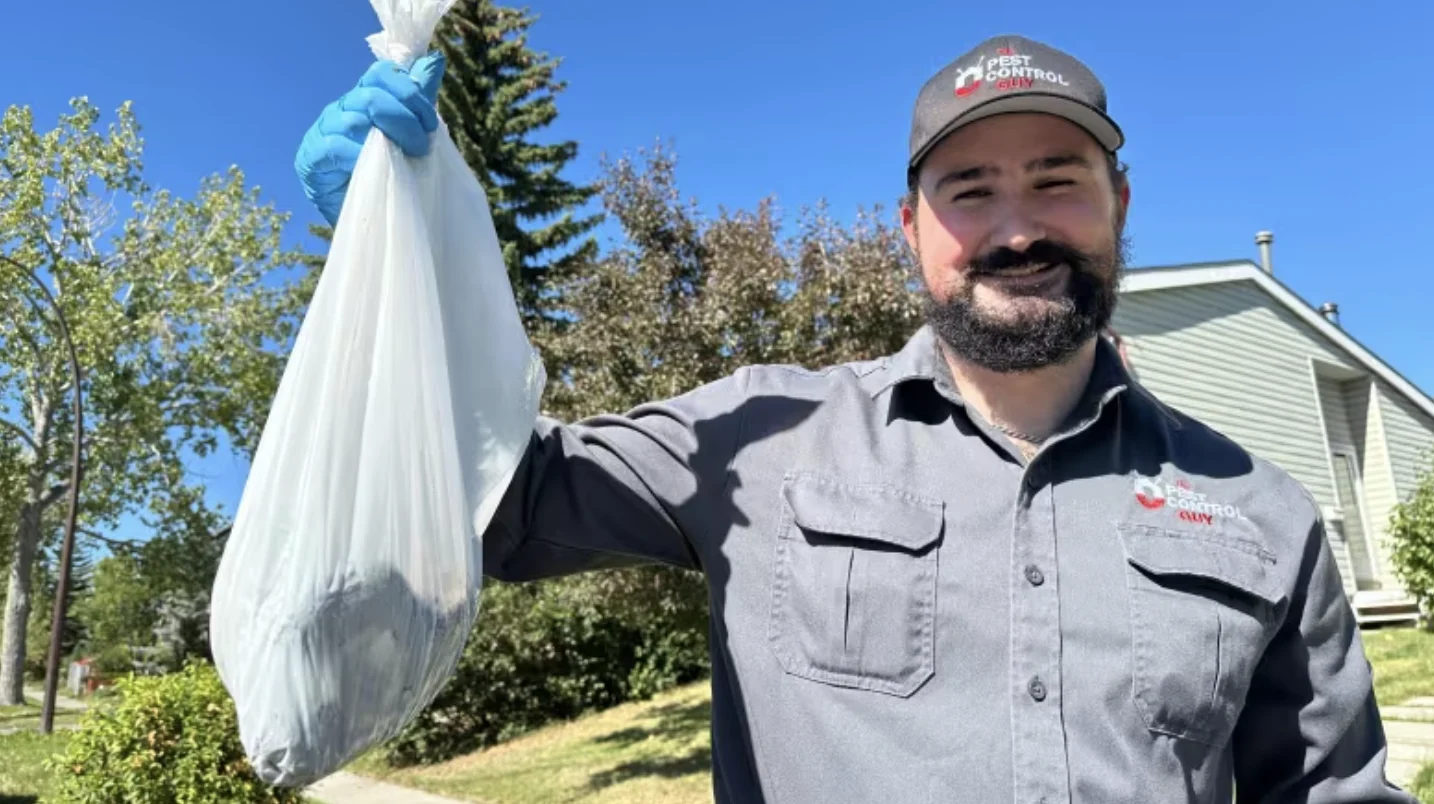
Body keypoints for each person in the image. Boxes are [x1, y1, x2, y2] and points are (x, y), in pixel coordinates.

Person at [295, 33, 1415, 804]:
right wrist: (397, 261)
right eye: (970, 190)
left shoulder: (1261, 515)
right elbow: (491, 502)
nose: (1017, 227)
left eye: (1057, 179)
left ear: (1119, 204)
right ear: (911, 230)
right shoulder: (753, 441)